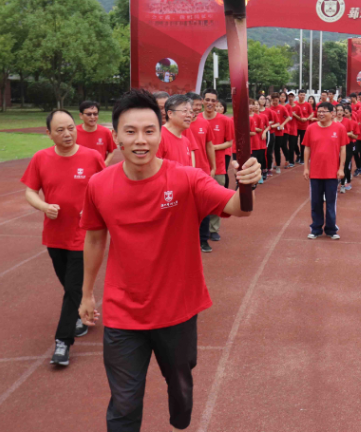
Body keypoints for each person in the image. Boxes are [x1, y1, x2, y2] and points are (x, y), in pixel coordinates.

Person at [78, 89, 260, 432]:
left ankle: (180, 412)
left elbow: (239, 208)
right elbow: (95, 237)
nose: (140, 140)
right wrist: (87, 293)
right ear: (115, 135)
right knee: (124, 403)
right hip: (123, 312)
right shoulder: (99, 185)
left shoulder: (186, 179)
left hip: (176, 309)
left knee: (180, 389)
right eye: (130, 132)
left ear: (160, 133)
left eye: (149, 131)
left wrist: (246, 183)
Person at [21, 109, 106, 366]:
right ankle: (82, 310)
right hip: (54, 235)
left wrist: (94, 207)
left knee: (72, 289)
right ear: (48, 134)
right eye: (60, 130)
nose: (67, 133)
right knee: (70, 286)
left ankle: (62, 342)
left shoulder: (92, 157)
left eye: (70, 127)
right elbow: (30, 192)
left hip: (84, 236)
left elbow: (105, 187)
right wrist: (44, 206)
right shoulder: (40, 158)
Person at [303, 102, 348, 239]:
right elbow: (307, 148)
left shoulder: (339, 128)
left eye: (324, 111)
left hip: (332, 173)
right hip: (315, 172)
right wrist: (306, 167)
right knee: (315, 202)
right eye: (319, 111)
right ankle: (316, 228)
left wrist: (341, 168)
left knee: (330, 202)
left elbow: (343, 149)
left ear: (332, 113)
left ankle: (331, 229)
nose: (321, 114)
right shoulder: (311, 128)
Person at [186, 93, 217, 254]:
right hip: (184, 173)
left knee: (204, 207)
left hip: (202, 171)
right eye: (194, 105)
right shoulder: (179, 124)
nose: (197, 108)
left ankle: (203, 239)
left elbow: (209, 145)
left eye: (199, 104)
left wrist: (212, 167)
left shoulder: (204, 123)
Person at [202, 90, 233, 242]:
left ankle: (214, 229)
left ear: (216, 103)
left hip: (218, 166)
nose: (210, 103)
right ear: (203, 101)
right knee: (198, 201)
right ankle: (200, 229)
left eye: (213, 101)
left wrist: (212, 147)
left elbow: (230, 142)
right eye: (207, 99)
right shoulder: (195, 120)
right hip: (199, 167)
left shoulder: (225, 121)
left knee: (215, 199)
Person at [157, 94, 195, 167]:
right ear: (170, 114)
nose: (189, 115)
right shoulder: (158, 136)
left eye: (191, 112)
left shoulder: (186, 141)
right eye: (185, 111)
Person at [76, 100, 116, 165]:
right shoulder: (74, 132)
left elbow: (111, 151)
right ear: (81, 116)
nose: (92, 117)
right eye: (89, 114)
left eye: (95, 114)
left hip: (99, 171)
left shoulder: (105, 132)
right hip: (80, 170)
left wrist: (105, 163)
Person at [270, 93, 293, 171]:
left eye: (276, 100)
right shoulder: (270, 108)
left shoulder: (282, 108)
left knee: (280, 147)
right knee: (273, 148)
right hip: (272, 130)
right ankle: (276, 162)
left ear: (278, 99)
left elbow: (288, 117)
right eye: (273, 100)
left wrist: (282, 124)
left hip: (281, 131)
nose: (275, 102)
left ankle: (283, 162)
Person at [341, 105, 359, 191]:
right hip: (339, 145)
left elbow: (355, 136)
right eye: (343, 112)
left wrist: (349, 134)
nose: (344, 114)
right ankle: (341, 180)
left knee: (346, 164)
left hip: (349, 144)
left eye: (346, 112)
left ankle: (346, 181)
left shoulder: (353, 123)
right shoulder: (337, 122)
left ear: (350, 113)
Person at [285, 92, 300, 166]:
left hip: (294, 128)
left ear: (294, 98)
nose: (290, 98)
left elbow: (300, 118)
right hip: (286, 128)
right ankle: (290, 158)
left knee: (292, 145)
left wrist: (294, 115)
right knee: (285, 145)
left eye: (292, 97)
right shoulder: (286, 106)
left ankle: (292, 161)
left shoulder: (297, 107)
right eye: (289, 97)